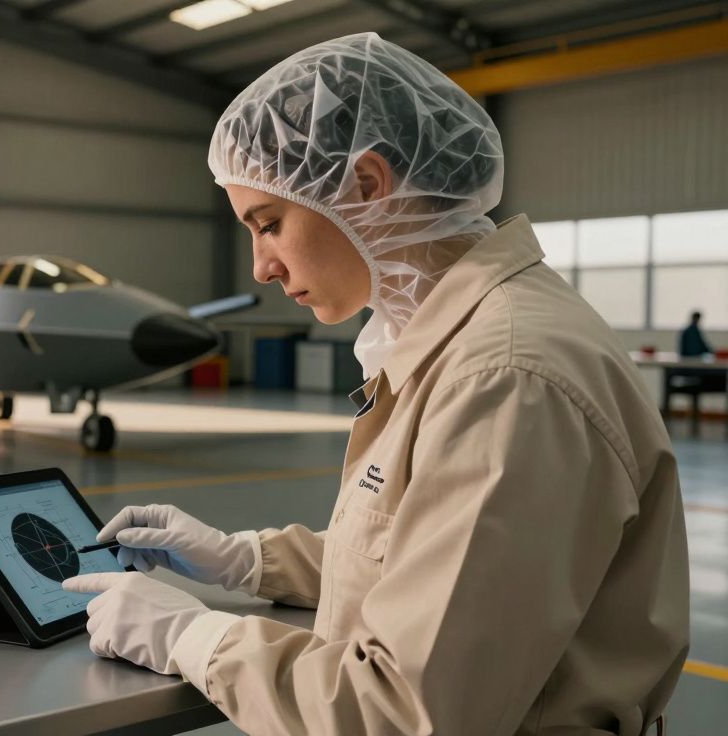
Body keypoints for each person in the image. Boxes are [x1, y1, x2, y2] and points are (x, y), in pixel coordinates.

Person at [62, 33, 689, 735]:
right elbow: (428, 566)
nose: (261, 268)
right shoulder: (463, 339)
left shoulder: (505, 378)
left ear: (366, 185)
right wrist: (247, 559)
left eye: (268, 224)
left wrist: (194, 639)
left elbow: (405, 713)